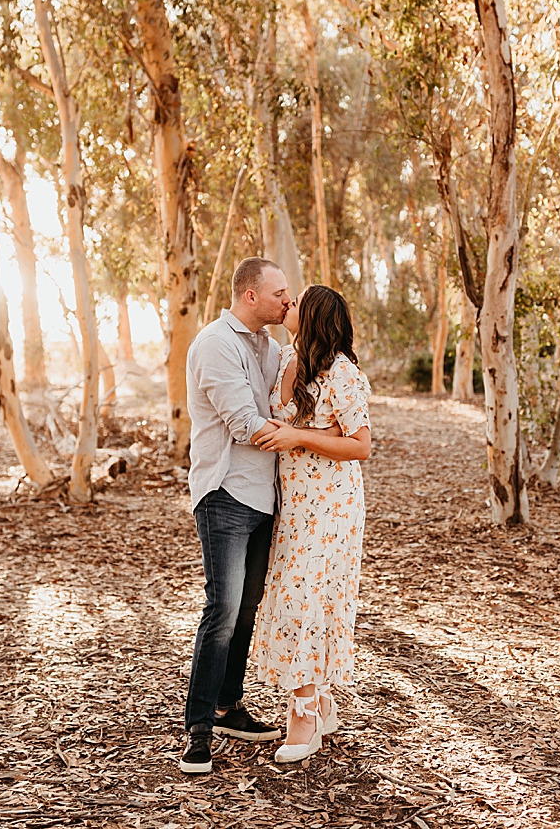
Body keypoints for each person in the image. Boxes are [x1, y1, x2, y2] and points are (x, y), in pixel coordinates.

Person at [251, 284, 372, 763]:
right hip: (292, 501)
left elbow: (360, 445)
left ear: (316, 315)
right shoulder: (283, 360)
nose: (287, 305)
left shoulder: (340, 372)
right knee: (295, 595)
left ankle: (302, 714)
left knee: (306, 598)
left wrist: (299, 436)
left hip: (332, 505)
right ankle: (319, 700)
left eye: (296, 302)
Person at [178, 257, 290, 774]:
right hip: (224, 492)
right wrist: (307, 436)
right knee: (221, 609)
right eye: (279, 293)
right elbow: (247, 425)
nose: (287, 302)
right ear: (250, 296)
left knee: (246, 610)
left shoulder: (271, 347)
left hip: (264, 496)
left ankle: (228, 706)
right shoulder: (215, 344)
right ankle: (198, 727)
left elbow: (289, 402)